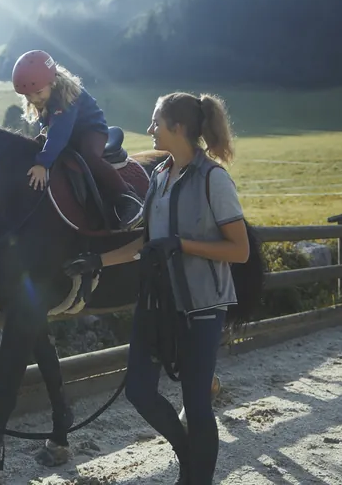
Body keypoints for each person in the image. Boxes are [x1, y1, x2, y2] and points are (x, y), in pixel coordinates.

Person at [62, 91, 250, 484]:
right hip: (159, 303)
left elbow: (240, 250)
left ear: (177, 127)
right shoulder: (160, 177)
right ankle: (188, 457)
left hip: (202, 306)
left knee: (196, 404)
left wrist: (182, 244)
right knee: (139, 391)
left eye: (156, 122)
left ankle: (196, 479)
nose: (149, 129)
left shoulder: (213, 179)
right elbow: (146, 241)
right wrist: (98, 261)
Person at [12, 50, 143, 229]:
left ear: (52, 82)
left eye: (38, 93)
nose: (34, 99)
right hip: (71, 133)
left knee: (90, 156)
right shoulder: (46, 95)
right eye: (28, 95)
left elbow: (59, 134)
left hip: (91, 130)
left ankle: (128, 199)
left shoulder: (65, 99)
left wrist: (43, 163)